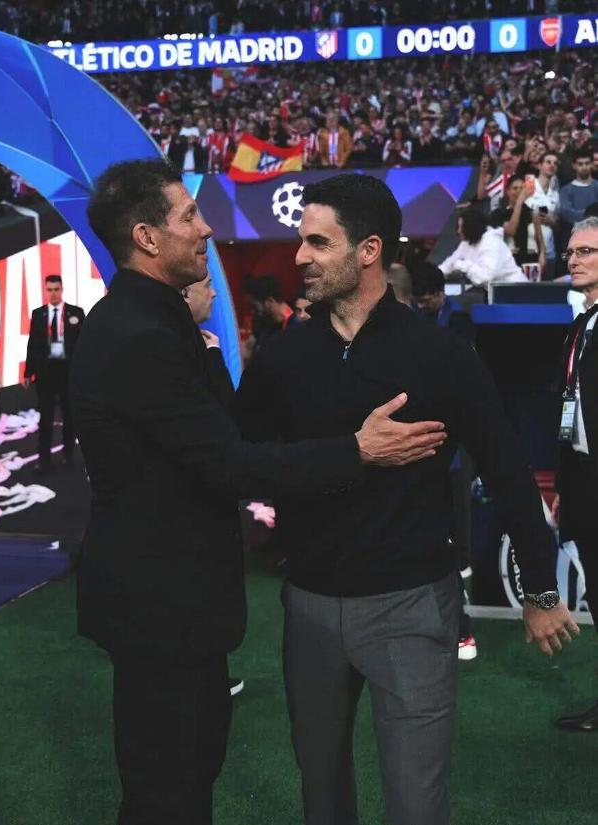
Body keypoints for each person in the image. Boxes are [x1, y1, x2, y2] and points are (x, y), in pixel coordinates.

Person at [69, 158, 449, 825]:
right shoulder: (138, 334)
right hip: (160, 605)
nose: (205, 228)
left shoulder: (155, 322)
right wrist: (356, 451)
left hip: (172, 605)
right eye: (189, 215)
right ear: (147, 237)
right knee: (168, 791)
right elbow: (230, 459)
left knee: (185, 776)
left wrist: (202, 343)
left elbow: (222, 431)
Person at [234, 173, 579, 825]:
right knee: (321, 798)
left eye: (317, 242)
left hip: (412, 605)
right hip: (310, 605)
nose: (300, 256)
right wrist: (349, 452)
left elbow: (505, 465)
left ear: (369, 250)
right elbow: (239, 461)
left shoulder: (438, 353)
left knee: (417, 805)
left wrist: (539, 587)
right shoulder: (285, 357)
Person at [411, 262, 476, 660]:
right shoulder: (412, 321)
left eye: (426, 300)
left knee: (456, 537)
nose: (421, 306)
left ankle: (463, 627)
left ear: (439, 295)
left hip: (453, 447)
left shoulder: (459, 321)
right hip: (421, 448)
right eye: (416, 300)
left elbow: (462, 377)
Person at [183, 272, 244, 699]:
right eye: (206, 285)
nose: (215, 292)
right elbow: (227, 415)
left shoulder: (191, 343)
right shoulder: (187, 351)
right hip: (191, 499)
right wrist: (214, 356)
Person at [555, 216, 598, 733]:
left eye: (586, 251)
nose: (573, 259)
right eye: (570, 252)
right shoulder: (579, 326)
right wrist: (566, 486)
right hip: (584, 481)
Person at [24, 274, 84, 472]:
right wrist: (28, 372)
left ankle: (68, 454)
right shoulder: (38, 314)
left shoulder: (76, 312)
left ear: (62, 289)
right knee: (46, 417)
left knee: (69, 414)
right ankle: (44, 459)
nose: (53, 293)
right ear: (45, 291)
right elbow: (33, 344)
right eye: (50, 290)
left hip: (68, 372)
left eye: (56, 289)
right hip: (46, 373)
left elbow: (84, 343)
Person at [439, 209, 527, 292]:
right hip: (497, 292)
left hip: (516, 291)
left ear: (472, 227)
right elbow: (450, 263)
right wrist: (436, 276)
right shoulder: (466, 243)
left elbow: (485, 277)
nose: (458, 231)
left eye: (462, 227)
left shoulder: (492, 243)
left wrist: (462, 265)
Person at [490, 174, 547, 278]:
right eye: (515, 188)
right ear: (508, 191)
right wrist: (519, 202)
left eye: (521, 188)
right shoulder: (499, 214)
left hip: (531, 261)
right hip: (510, 262)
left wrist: (542, 255)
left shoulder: (531, 212)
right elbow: (511, 231)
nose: (519, 191)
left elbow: (539, 238)